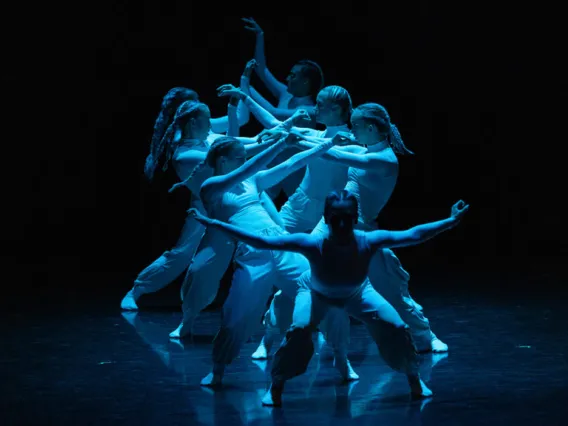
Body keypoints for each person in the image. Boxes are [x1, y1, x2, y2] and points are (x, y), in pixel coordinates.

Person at [189, 192, 469, 405]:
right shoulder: (313, 243)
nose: (343, 223)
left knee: (396, 327)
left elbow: (413, 234)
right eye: (336, 217)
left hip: (359, 292)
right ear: (327, 217)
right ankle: (275, 386)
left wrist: (451, 221)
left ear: (355, 216)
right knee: (298, 332)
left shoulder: (367, 240)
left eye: (347, 217)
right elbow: (263, 242)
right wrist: (214, 222)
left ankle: (414, 379)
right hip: (315, 293)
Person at [192, 133, 357, 387]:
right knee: (237, 314)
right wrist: (281, 143)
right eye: (239, 157)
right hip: (253, 254)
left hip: (281, 245)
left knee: (326, 295)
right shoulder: (211, 187)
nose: (244, 161)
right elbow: (250, 167)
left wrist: (328, 144)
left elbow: (290, 165)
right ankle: (217, 370)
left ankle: (341, 358)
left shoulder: (252, 181)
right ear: (223, 160)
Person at [218, 85, 361, 360]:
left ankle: (321, 335)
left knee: (327, 276)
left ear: (335, 110)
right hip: (298, 206)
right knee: (278, 265)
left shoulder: (353, 142)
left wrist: (295, 138)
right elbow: (274, 124)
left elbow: (324, 150)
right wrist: (245, 96)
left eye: (320, 105)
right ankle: (269, 337)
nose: (314, 109)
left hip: (330, 213)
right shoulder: (316, 134)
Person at [291, 103, 448, 353]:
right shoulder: (366, 150)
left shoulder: (384, 160)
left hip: (362, 233)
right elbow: (331, 144)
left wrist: (295, 138)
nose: (352, 131)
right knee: (299, 272)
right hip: (330, 226)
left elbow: (335, 155)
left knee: (391, 291)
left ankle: (425, 335)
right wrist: (290, 134)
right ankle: (281, 333)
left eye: (356, 126)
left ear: (371, 128)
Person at [120, 98, 284, 311]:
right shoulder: (185, 156)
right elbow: (235, 153)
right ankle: (138, 290)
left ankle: (278, 294)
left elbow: (245, 142)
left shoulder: (209, 137)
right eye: (207, 119)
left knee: (277, 234)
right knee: (183, 254)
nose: (211, 123)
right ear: (193, 123)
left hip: (242, 197)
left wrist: (274, 135)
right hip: (208, 209)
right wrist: (277, 142)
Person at [241, 17, 325, 199]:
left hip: (293, 168)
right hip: (270, 161)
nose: (287, 78)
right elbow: (262, 69)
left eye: (293, 75)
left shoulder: (310, 111)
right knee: (255, 201)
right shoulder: (286, 94)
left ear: (305, 81)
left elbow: (273, 114)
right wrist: (260, 35)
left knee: (296, 213)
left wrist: (245, 90)